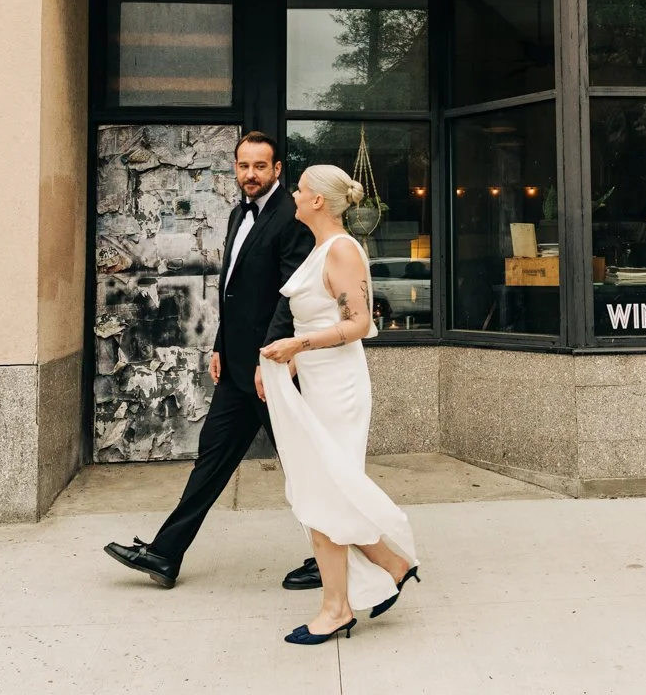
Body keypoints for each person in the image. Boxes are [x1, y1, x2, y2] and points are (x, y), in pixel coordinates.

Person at [103, 132, 320, 591]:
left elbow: (291, 296)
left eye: (260, 166)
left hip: (270, 369)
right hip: (238, 369)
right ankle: (164, 554)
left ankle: (333, 556)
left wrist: (270, 361)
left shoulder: (291, 217)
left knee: (304, 466)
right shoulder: (240, 213)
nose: (250, 175)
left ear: (278, 169)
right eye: (244, 166)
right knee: (212, 459)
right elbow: (234, 293)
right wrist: (220, 345)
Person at [258, 164, 420, 646]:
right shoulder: (320, 249)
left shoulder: (344, 251)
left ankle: (336, 609)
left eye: (300, 188)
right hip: (316, 381)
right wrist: (287, 367)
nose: (293, 193)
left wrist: (296, 346)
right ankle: (393, 565)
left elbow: (359, 326)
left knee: (322, 495)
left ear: (318, 202)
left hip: (339, 389)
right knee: (324, 491)